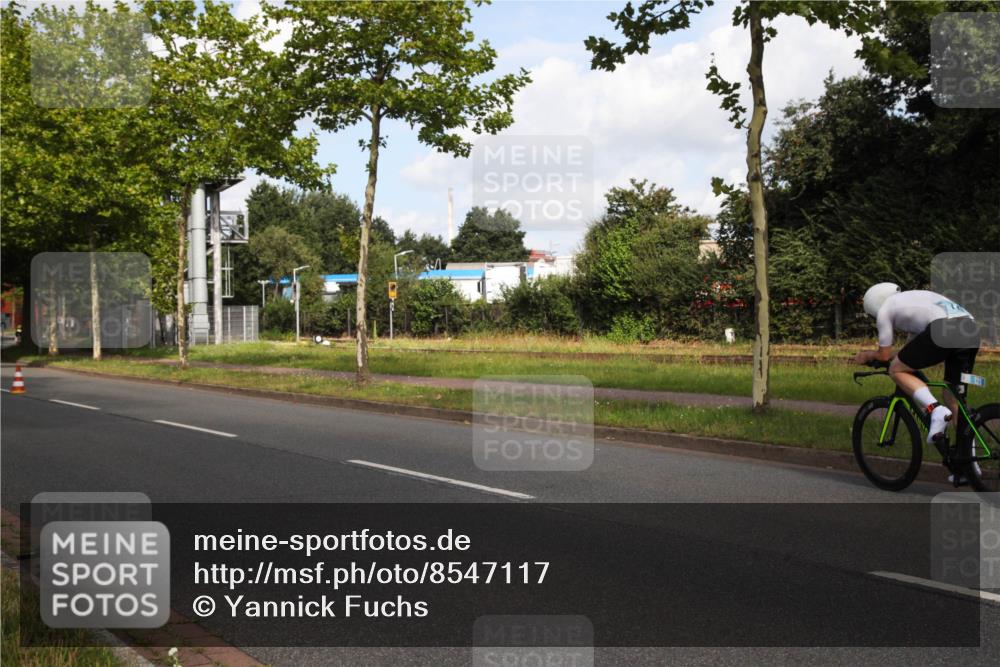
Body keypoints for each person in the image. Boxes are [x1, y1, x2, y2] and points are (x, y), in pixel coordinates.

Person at [854, 283, 981, 455]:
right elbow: (907, 354)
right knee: (953, 397)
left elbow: (884, 355)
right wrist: (893, 358)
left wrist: (866, 356)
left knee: (895, 370)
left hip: (943, 328)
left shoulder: (885, 309)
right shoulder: (913, 301)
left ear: (874, 305)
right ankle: (967, 460)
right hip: (970, 328)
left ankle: (935, 409)